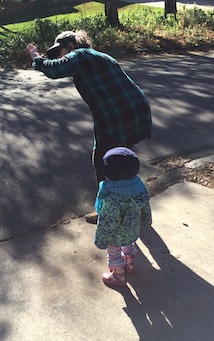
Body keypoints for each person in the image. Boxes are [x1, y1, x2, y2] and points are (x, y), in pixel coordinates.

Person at [26, 30, 152, 224]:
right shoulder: (100, 56)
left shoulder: (81, 54)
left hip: (116, 115)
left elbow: (54, 70)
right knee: (121, 162)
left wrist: (37, 59)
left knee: (104, 162)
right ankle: (135, 207)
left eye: (59, 51)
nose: (59, 56)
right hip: (135, 111)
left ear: (70, 46)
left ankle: (106, 212)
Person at [94, 147, 152, 287]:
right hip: (133, 228)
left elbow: (108, 222)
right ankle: (130, 265)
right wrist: (145, 221)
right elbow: (146, 206)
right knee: (128, 244)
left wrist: (102, 238)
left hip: (115, 234)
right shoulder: (140, 187)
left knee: (114, 251)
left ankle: (118, 276)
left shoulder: (112, 197)